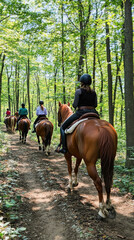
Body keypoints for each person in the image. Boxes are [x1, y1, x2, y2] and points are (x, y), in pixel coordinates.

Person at [56, 73, 99, 154]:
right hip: (94, 113)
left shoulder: (79, 91)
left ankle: (64, 148)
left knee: (62, 127)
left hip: (81, 113)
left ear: (81, 82)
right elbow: (95, 105)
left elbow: (75, 105)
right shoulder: (94, 92)